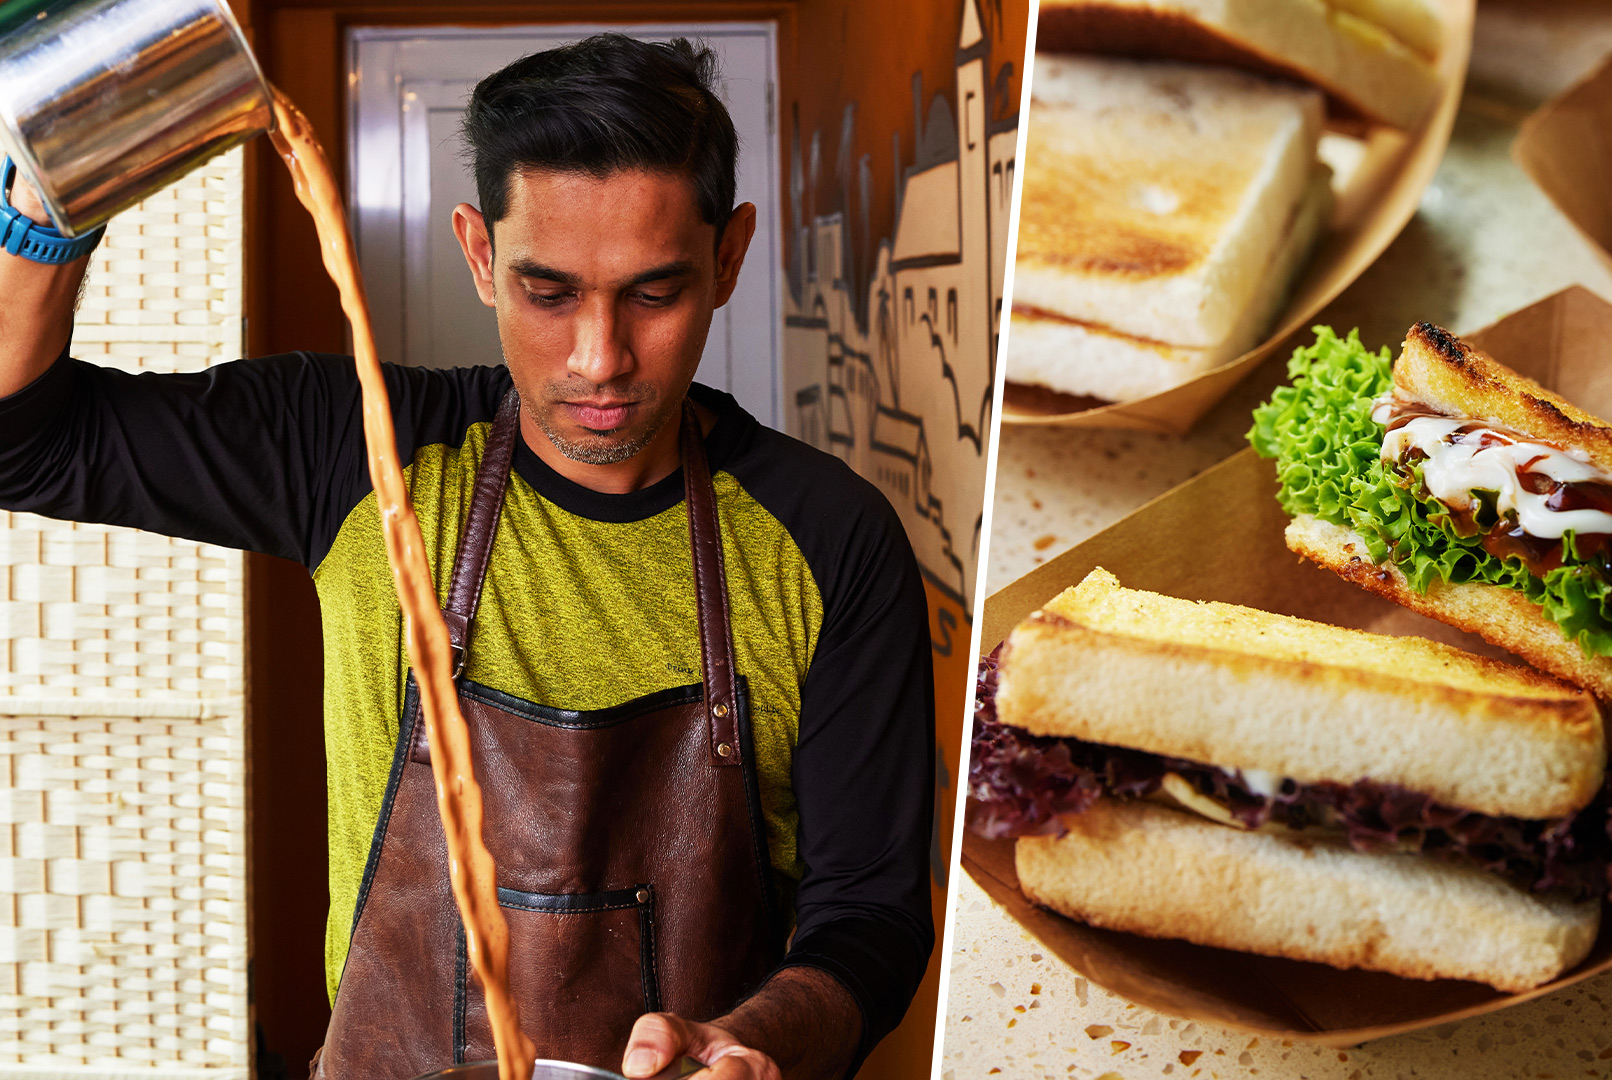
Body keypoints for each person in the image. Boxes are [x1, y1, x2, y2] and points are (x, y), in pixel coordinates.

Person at [0, 34, 933, 1080]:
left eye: (654, 294)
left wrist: (748, 1038)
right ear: (481, 256)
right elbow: (22, 440)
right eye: (549, 293)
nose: (600, 357)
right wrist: (53, 190)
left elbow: (873, 920)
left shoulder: (830, 539)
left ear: (728, 257)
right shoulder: (360, 454)